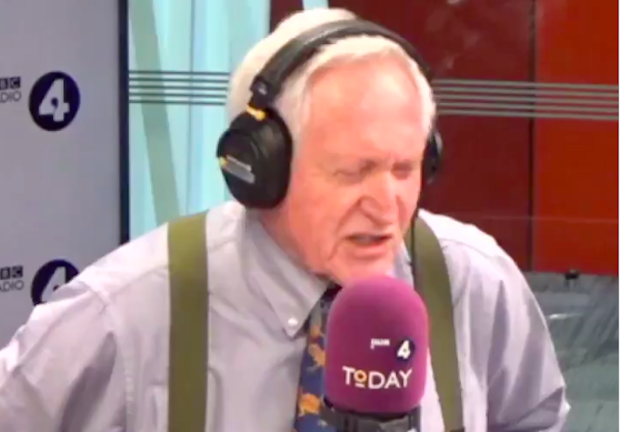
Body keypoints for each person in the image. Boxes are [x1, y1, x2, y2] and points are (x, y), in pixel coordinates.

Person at [0, 7, 568, 432]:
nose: (387, 204)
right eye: (353, 171)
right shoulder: (126, 312)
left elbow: (534, 419)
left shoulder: (472, 280)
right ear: (259, 168)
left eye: (404, 168)